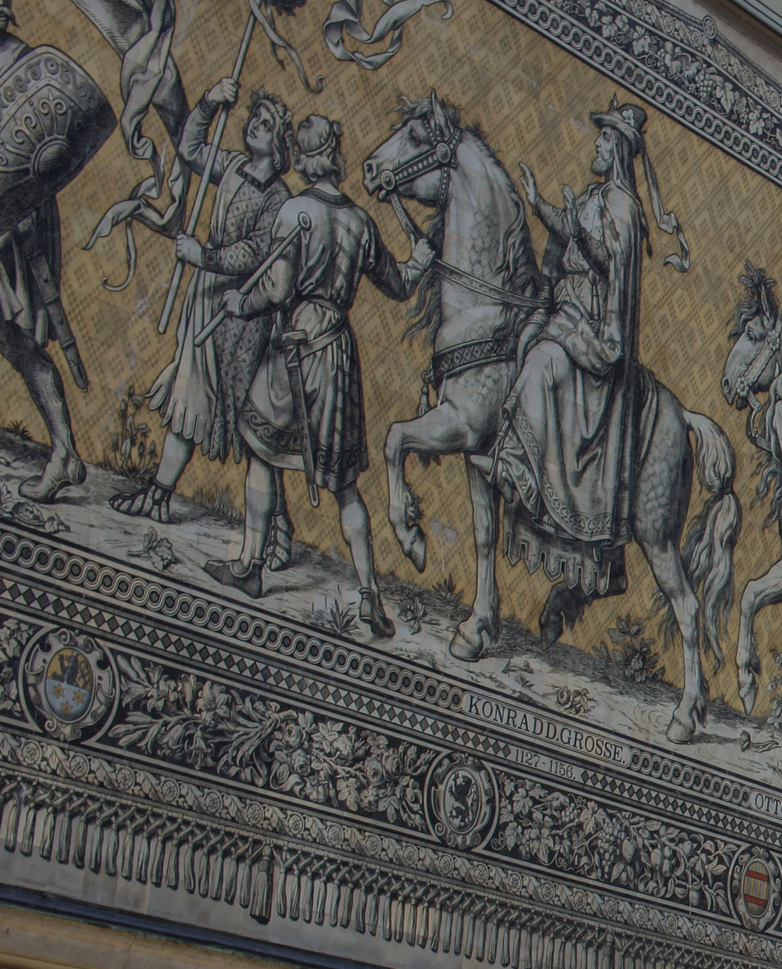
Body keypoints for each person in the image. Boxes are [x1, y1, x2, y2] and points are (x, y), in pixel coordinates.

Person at [187, 114, 432, 632]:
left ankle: (250, 566)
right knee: (345, 486)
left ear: (301, 157)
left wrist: (237, 302)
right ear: (335, 157)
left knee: (261, 453)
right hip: (337, 356)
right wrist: (423, 258)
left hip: (294, 349)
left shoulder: (295, 211)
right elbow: (400, 283)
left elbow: (275, 291)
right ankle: (369, 596)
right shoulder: (361, 222)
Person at [117, 77, 295, 566]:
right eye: (253, 118)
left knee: (250, 423)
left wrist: (204, 254)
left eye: (263, 124)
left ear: (279, 146)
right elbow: (191, 149)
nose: (252, 126)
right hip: (207, 299)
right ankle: (159, 493)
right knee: (189, 394)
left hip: (240, 315)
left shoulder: (278, 198)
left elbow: (256, 253)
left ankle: (277, 529)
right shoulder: (233, 165)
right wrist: (209, 102)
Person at [492, 101, 658, 604]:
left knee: (543, 360)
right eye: (599, 137)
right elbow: (569, 229)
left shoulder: (624, 209)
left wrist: (582, 232)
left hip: (593, 332)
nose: (597, 145)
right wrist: (540, 203)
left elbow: (609, 260)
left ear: (620, 149)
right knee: (523, 340)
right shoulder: (594, 196)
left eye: (605, 140)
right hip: (565, 312)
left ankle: (521, 467)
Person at [0, 0, 93, 503]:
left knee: (18, 341)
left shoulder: (19, 63)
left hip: (14, 227)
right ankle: (65, 452)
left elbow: (32, 161)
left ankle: (64, 453)